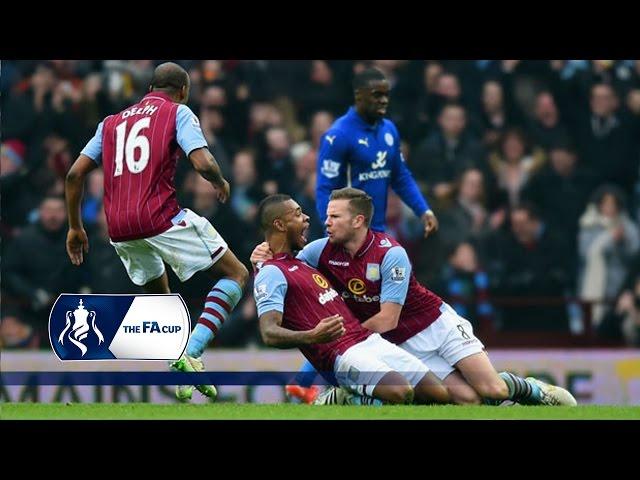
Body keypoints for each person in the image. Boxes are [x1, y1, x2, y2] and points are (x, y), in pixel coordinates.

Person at [253, 187, 577, 406]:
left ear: (358, 220)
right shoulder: (319, 251)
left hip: (434, 325)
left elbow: (387, 318)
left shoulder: (390, 254)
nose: (325, 222)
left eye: (334, 216)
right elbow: (287, 267)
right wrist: (262, 255)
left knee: (491, 388)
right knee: (468, 400)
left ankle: (533, 389)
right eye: (327, 215)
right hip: (400, 343)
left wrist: (343, 346)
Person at [65, 62, 249, 401]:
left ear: (150, 87)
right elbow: (203, 162)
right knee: (237, 274)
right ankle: (192, 351)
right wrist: (220, 181)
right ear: (183, 91)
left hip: (119, 227)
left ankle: (179, 363)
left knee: (161, 298)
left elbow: (75, 175)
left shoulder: (110, 123)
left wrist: (75, 227)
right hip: (160, 217)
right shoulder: (178, 112)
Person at [253, 194, 450, 405]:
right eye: (299, 214)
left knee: (438, 395)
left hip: (367, 339)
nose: (307, 218)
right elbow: (268, 333)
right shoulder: (271, 272)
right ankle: (337, 399)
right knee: (401, 392)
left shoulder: (303, 262)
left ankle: (350, 395)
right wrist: (312, 335)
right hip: (339, 354)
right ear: (280, 224)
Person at [316, 67, 438, 237]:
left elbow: (401, 177)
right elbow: (325, 189)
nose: (383, 100)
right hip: (348, 235)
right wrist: (332, 231)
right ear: (359, 96)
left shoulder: (389, 130)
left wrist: (424, 210)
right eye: (376, 95)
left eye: (386, 95)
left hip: (377, 232)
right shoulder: (338, 135)